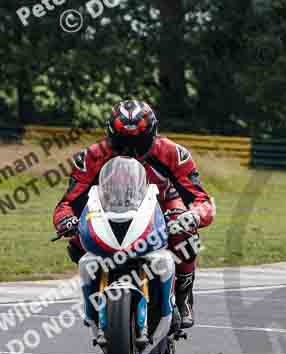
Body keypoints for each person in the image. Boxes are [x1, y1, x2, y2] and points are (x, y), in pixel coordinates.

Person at [52, 100, 215, 328]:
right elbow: (67, 203)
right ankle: (95, 295)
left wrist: (195, 215)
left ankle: (183, 295)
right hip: (110, 208)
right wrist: (65, 221)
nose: (130, 150)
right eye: (121, 142)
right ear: (110, 134)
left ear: (152, 134)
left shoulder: (174, 154)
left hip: (164, 206)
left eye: (138, 142)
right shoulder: (91, 157)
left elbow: (201, 199)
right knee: (77, 240)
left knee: (186, 234)